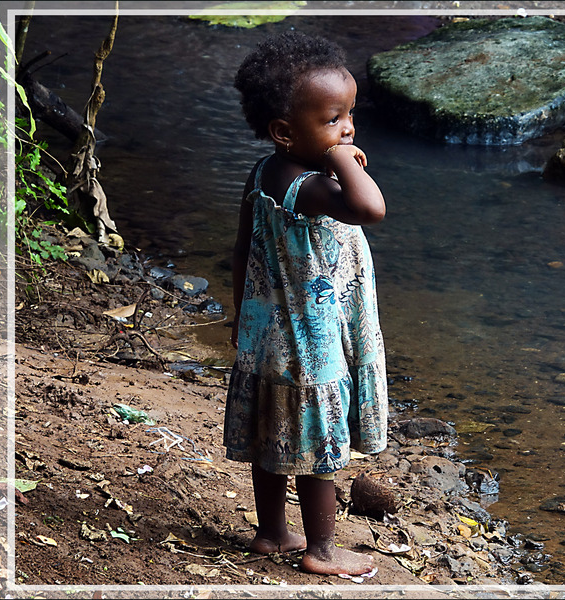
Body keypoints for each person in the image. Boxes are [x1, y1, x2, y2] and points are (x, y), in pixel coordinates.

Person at [223, 31, 388, 576]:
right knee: (319, 446)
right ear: (284, 131)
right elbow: (370, 209)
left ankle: (271, 533)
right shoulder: (312, 188)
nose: (347, 129)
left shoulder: (263, 173)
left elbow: (243, 250)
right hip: (310, 344)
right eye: (333, 119)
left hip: (267, 333)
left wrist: (238, 318)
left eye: (350, 116)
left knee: (272, 431)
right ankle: (322, 550)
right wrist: (346, 160)